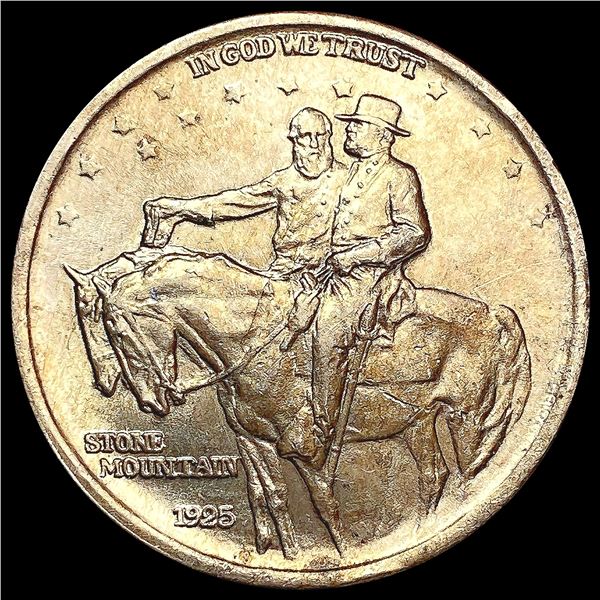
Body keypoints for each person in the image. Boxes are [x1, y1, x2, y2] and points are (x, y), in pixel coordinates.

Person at [305, 94, 431, 466]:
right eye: (351, 123)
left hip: (372, 277)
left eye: (358, 125)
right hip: (332, 268)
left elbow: (414, 233)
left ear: (383, 135)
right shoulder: (348, 172)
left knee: (328, 333)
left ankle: (320, 430)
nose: (349, 130)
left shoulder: (399, 175)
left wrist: (357, 255)